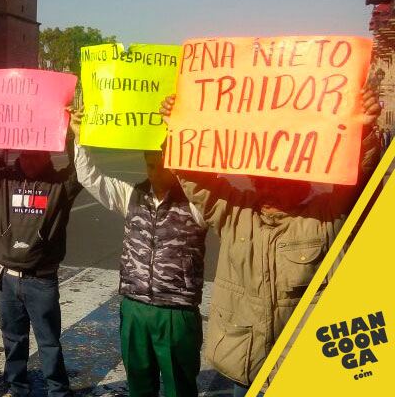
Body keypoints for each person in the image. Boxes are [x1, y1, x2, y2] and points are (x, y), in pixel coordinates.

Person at [159, 87, 381, 397]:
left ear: (303, 179)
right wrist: (180, 127)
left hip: (305, 372)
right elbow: (195, 178)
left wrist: (365, 130)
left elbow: (361, 179)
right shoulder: (233, 212)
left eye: (281, 180)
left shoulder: (327, 215)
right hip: (245, 366)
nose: (269, 185)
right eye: (262, 178)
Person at [68, 108, 208, 397]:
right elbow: (90, 177)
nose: (154, 171)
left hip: (176, 313)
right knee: (139, 386)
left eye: (161, 164)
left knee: (180, 388)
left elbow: (214, 191)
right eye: (150, 164)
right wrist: (79, 139)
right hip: (134, 309)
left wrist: (181, 133)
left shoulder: (196, 204)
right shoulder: (131, 195)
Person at [0, 107, 81, 397]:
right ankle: (17, 388)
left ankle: (59, 391)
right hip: (8, 280)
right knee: (13, 340)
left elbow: (81, 170)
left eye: (35, 154)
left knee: (49, 342)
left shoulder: (60, 185)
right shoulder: (6, 181)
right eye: (24, 154)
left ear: (47, 155)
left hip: (42, 281)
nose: (27, 159)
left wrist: (73, 134)